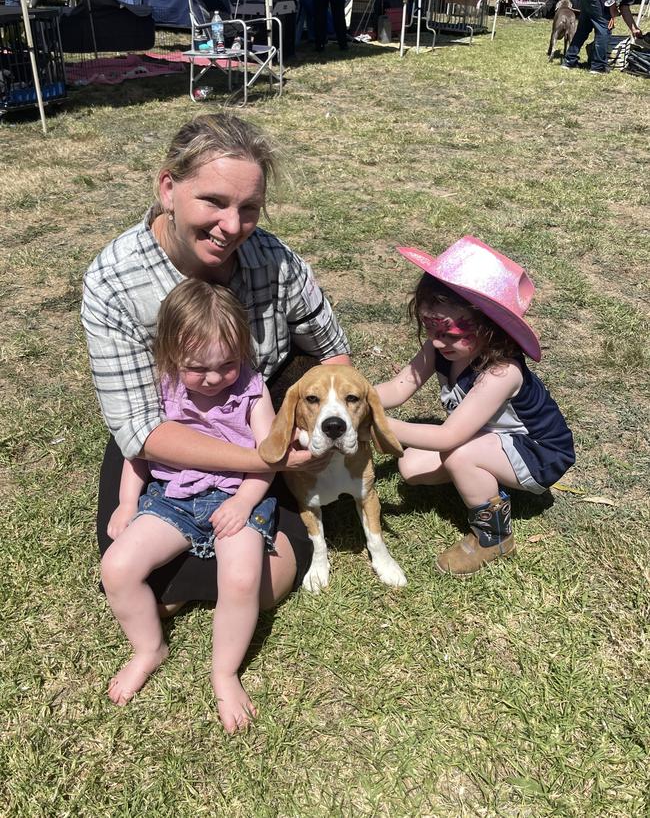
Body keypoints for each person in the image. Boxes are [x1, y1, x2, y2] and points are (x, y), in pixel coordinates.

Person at [81, 113, 351, 619]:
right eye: (214, 201)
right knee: (123, 571)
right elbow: (140, 429)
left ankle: (202, 568)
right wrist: (269, 462)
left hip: (256, 414)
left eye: (249, 208)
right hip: (174, 431)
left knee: (267, 582)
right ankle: (198, 566)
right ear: (168, 188)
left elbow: (332, 352)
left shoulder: (277, 261)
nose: (233, 227)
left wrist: (291, 433)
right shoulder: (115, 281)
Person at [103, 280, 278, 730]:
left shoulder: (253, 389)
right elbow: (139, 451)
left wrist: (243, 502)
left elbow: (269, 456)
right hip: (175, 497)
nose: (216, 377)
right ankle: (148, 648)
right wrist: (126, 504)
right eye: (198, 368)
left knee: (241, 579)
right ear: (169, 356)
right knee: (117, 568)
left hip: (239, 495)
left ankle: (225, 673)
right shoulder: (162, 389)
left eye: (227, 363)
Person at [374, 237, 575, 577]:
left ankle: (494, 537)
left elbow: (449, 435)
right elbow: (398, 387)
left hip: (540, 453)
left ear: (489, 326)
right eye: (430, 327)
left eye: (451, 332)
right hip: (493, 438)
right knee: (409, 467)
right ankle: (479, 479)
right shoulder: (439, 348)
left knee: (458, 452)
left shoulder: (502, 371)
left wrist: (378, 423)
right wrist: (348, 397)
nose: (438, 341)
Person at [562, 0, 650, 75]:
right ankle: (598, 67)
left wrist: (634, 28)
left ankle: (569, 61)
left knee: (584, 28)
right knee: (604, 29)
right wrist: (612, 10)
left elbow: (624, 6)